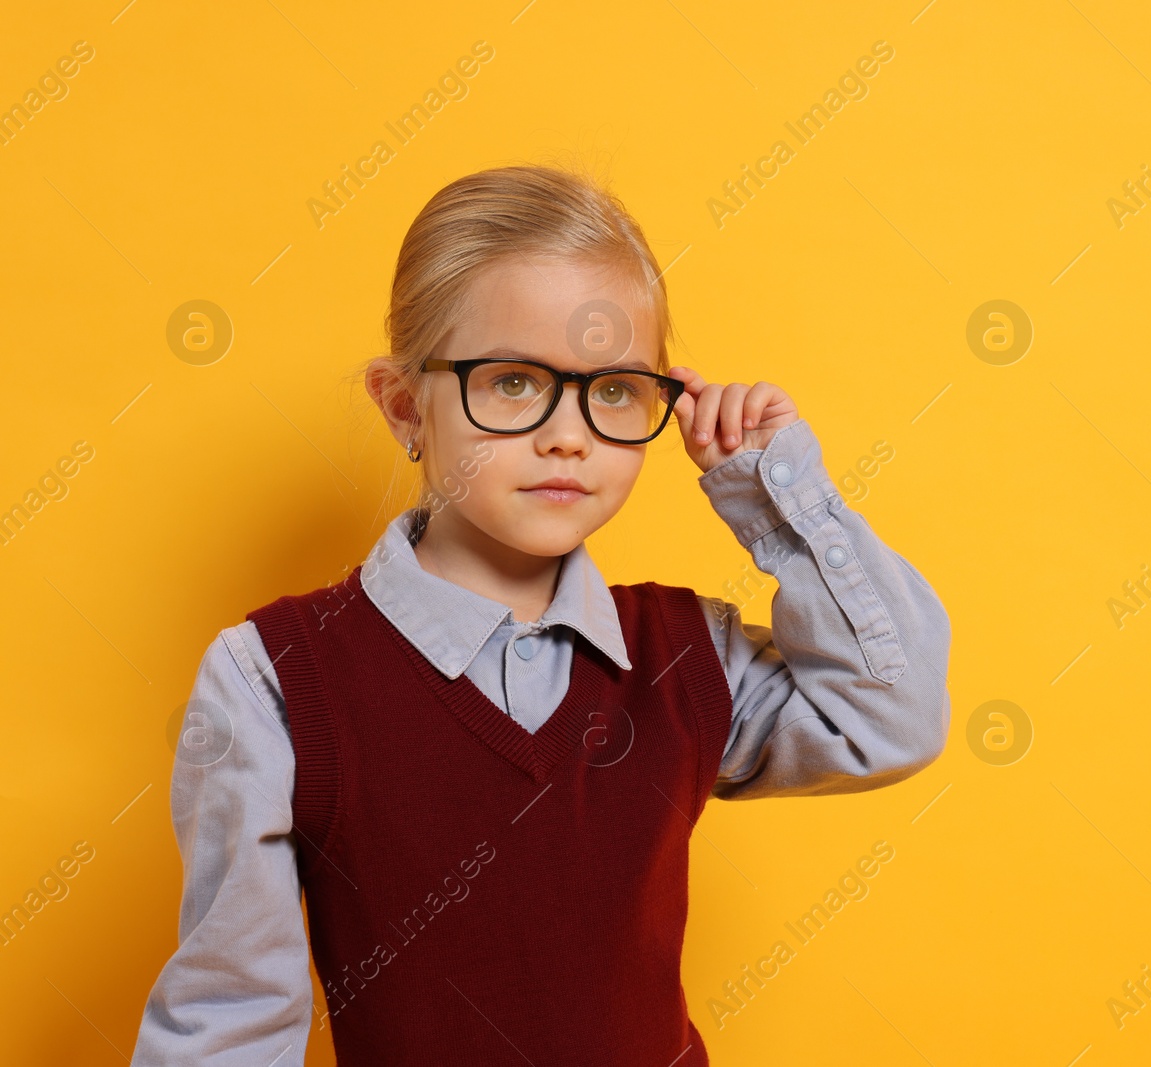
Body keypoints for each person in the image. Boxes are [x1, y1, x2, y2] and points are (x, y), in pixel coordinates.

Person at [129, 164, 952, 1065]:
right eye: (515, 382)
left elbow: (890, 716)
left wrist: (775, 491)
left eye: (612, 391)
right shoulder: (273, 679)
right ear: (406, 407)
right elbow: (229, 1023)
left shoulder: (685, 657)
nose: (569, 433)